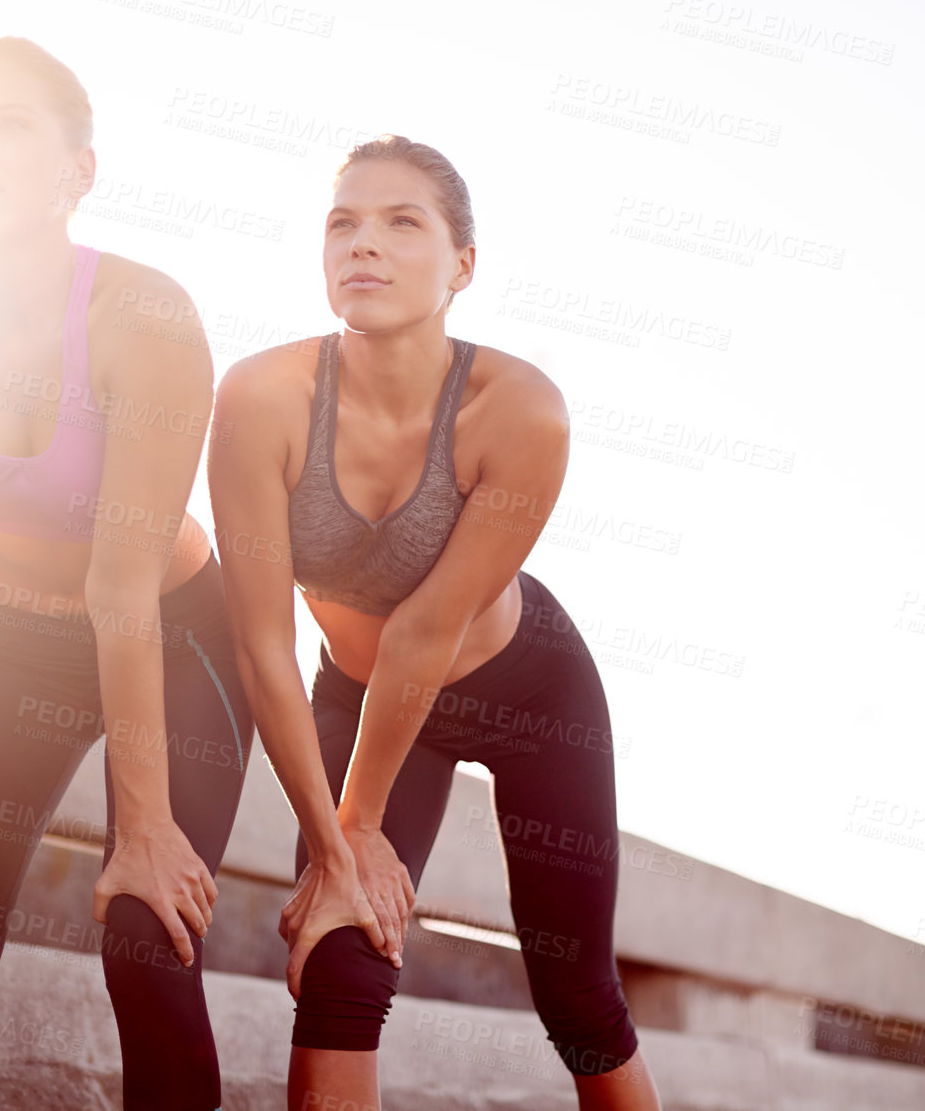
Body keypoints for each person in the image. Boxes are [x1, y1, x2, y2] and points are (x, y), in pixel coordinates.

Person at [0, 36, 254, 1110]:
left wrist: (148, 833)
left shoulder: (144, 317)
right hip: (8, 635)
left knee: (145, 935)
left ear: (81, 169)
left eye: (8, 122)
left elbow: (121, 593)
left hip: (171, 631)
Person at [207, 134, 664, 1110]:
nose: (362, 243)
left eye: (401, 222)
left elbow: (426, 631)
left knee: (577, 999)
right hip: (360, 696)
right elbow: (260, 644)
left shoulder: (518, 408)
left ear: (463, 266)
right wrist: (335, 851)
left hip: (526, 688)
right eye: (342, 223)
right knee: (339, 964)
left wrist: (355, 824)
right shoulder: (260, 400)